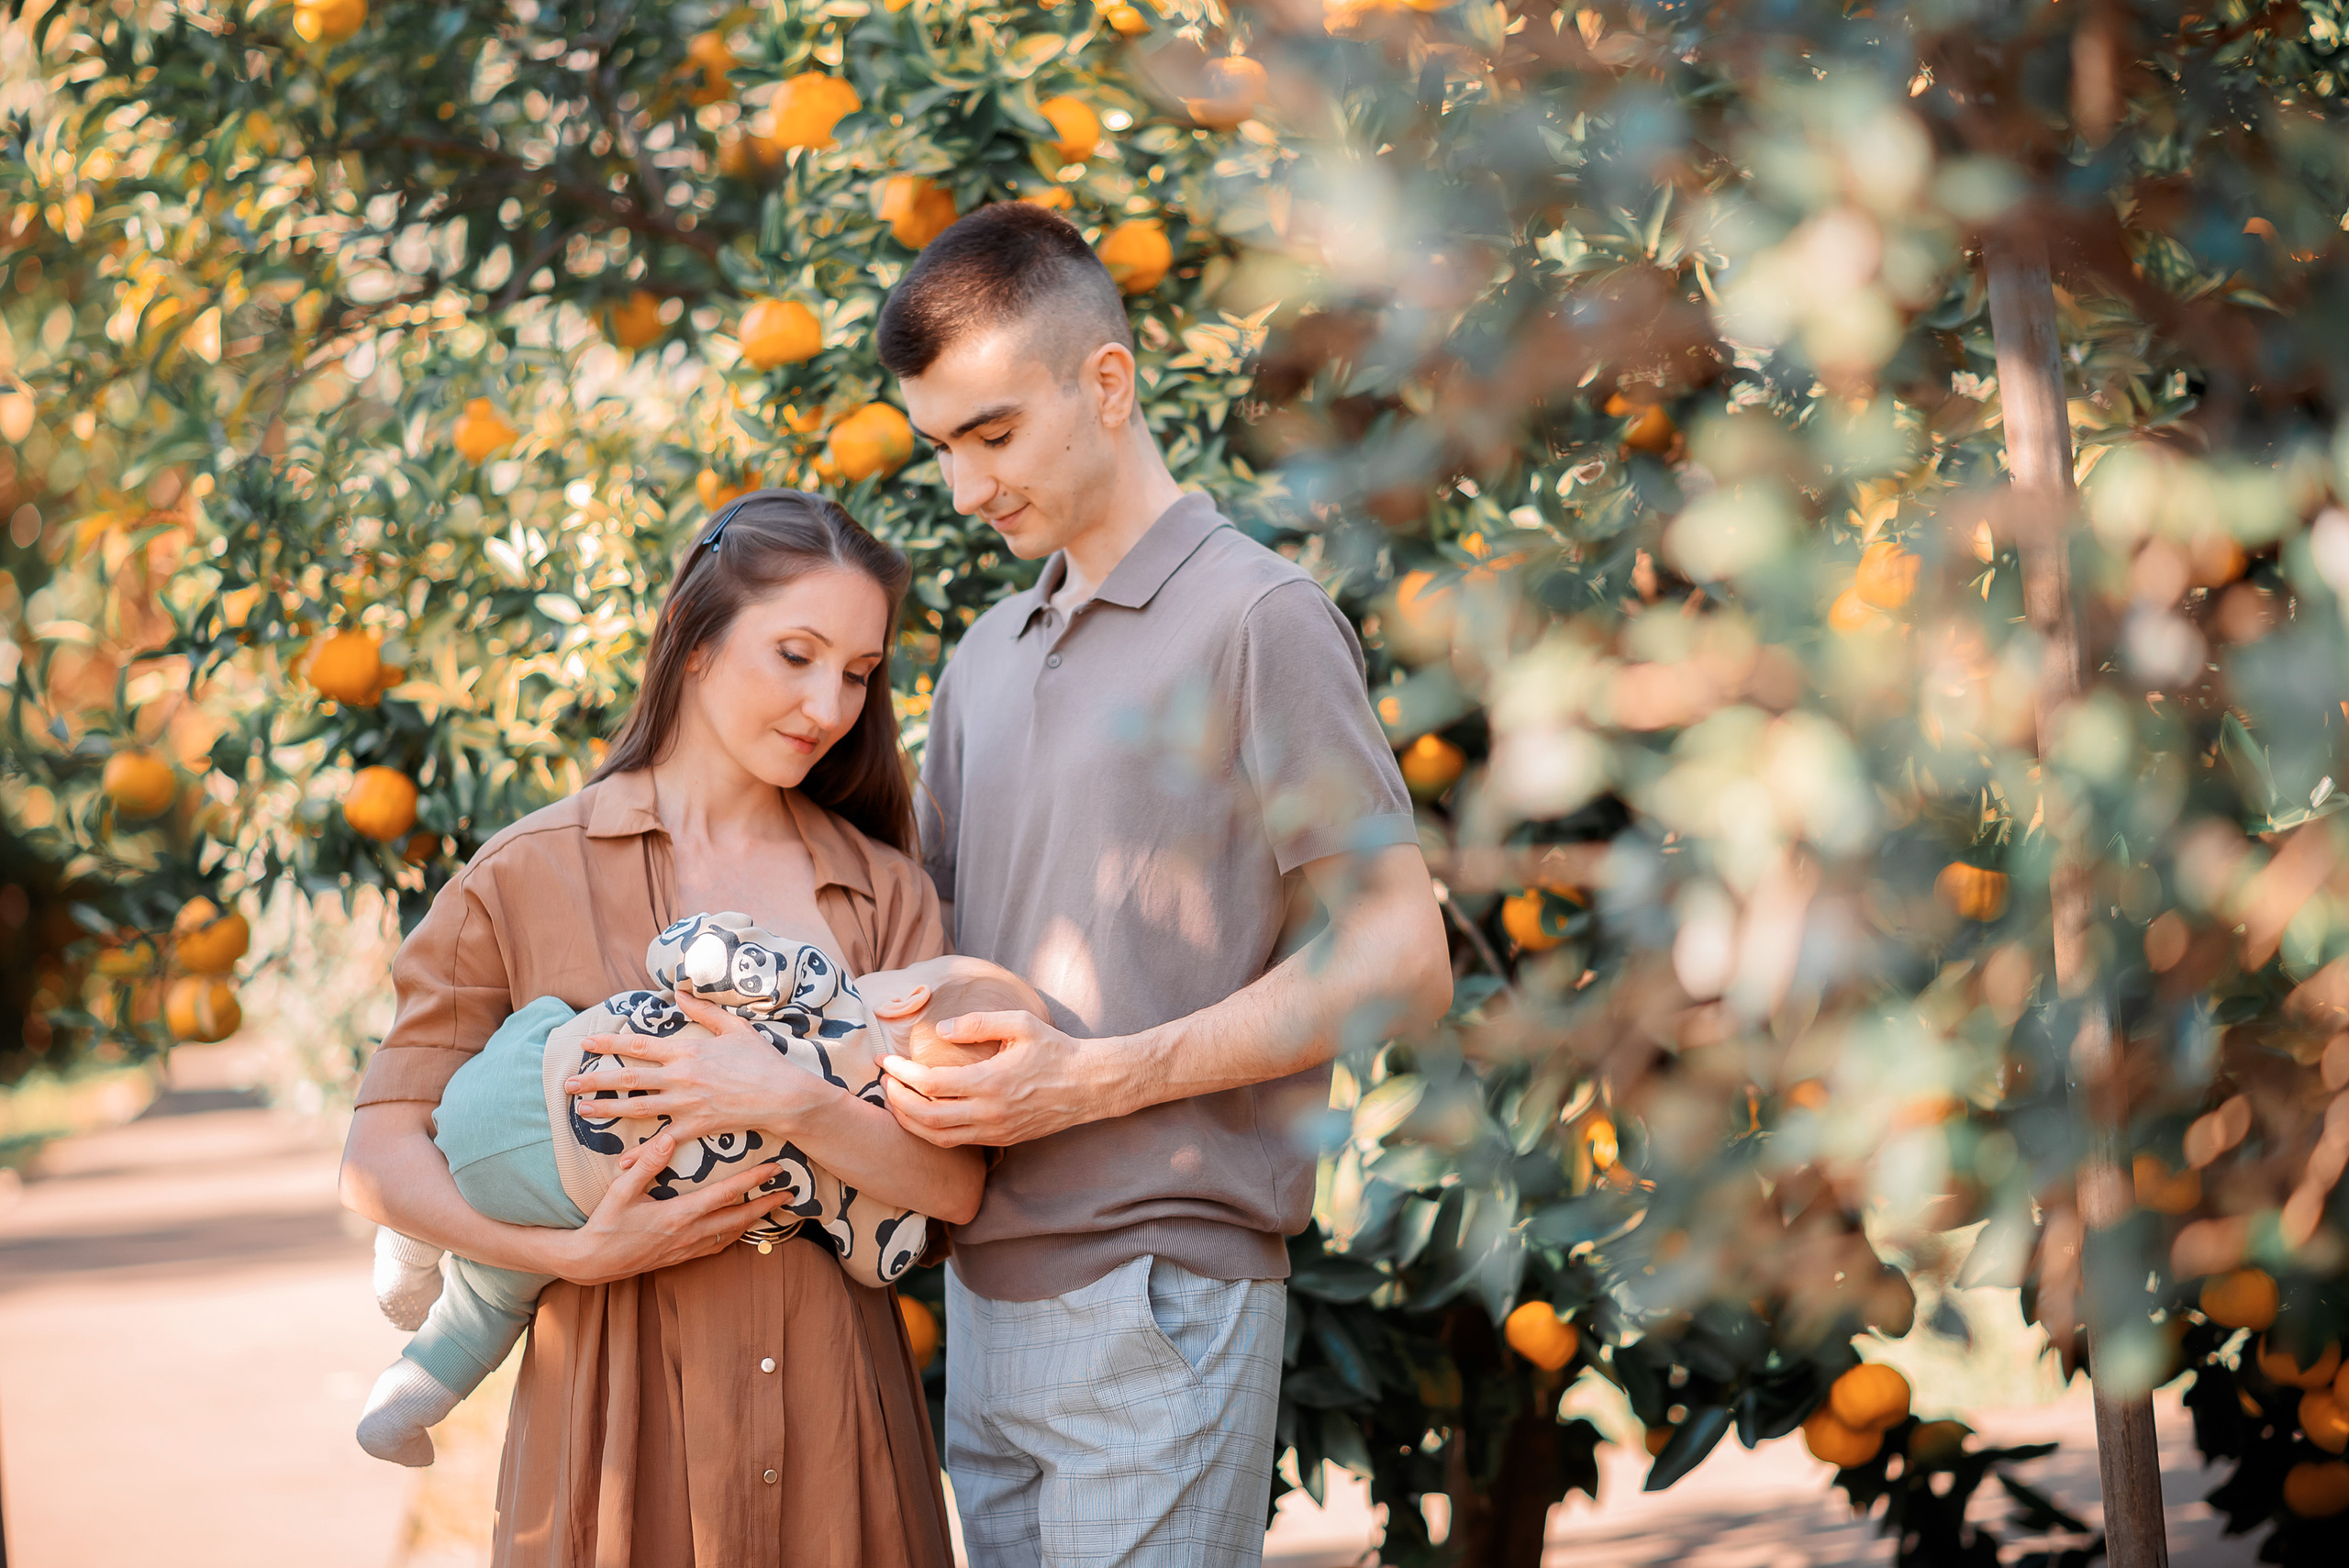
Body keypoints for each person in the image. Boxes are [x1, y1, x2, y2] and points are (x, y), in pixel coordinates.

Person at [874, 204, 1454, 1564]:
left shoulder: (1258, 620)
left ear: (1109, 383)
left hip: (1162, 1295)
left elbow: (1400, 958)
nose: (966, 490)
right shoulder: (981, 662)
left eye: (994, 435)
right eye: (941, 449)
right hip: (982, 1301)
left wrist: (1097, 1077)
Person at [338, 489, 974, 1567]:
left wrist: (791, 1099)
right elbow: (379, 1155)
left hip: (844, 1442)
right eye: (796, 654)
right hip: (611, 1452)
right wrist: (568, 1255)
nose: (830, 702)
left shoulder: (883, 892)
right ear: (694, 637)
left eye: (859, 673)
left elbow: (954, 1189)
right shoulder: (526, 874)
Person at [355, 912, 1044, 1469]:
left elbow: (679, 954)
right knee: (488, 1304)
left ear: (907, 996)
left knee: (535, 1029)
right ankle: (403, 1407)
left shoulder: (825, 990)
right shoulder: (875, 1175)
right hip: (581, 1203)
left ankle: (418, 1231)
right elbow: (880, 1261)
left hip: (534, 1086)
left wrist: (731, 941)